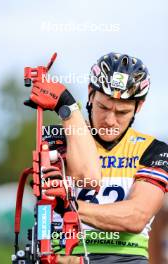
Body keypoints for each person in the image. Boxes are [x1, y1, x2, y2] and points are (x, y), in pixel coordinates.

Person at [25, 52, 168, 264]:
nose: (110, 120)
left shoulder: (154, 150)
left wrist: (71, 205)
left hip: (125, 259)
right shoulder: (59, 137)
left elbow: (136, 216)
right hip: (65, 256)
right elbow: (87, 176)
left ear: (139, 107)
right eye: (103, 107)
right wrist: (69, 107)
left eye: (122, 112)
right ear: (90, 94)